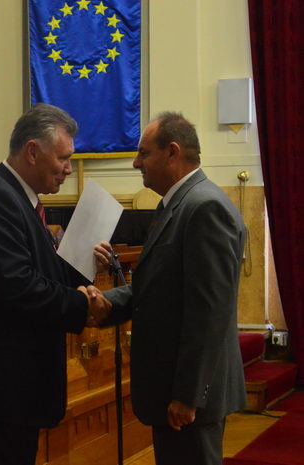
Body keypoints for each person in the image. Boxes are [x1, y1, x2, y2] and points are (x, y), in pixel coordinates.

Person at [0, 103, 111, 465]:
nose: (68, 169)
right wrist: (82, 306)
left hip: (13, 386)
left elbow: (41, 276)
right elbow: (16, 286)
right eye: (63, 158)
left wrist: (85, 268)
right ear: (32, 151)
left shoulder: (18, 198)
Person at [94, 112, 247, 465]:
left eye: (144, 153)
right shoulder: (178, 204)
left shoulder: (204, 207)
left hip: (188, 397)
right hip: (171, 389)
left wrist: (188, 395)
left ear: (173, 152)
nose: (136, 163)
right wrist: (106, 302)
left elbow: (208, 312)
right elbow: (158, 287)